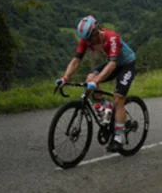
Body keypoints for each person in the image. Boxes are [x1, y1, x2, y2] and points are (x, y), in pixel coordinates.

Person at [56, 15, 137, 153]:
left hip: (126, 65)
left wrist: (96, 81)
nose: (88, 42)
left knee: (118, 98)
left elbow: (112, 64)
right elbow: (76, 60)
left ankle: (118, 137)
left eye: (90, 39)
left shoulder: (111, 37)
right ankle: (106, 107)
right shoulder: (86, 40)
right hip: (111, 64)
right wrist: (65, 77)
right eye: (85, 40)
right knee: (89, 78)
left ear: (97, 31)